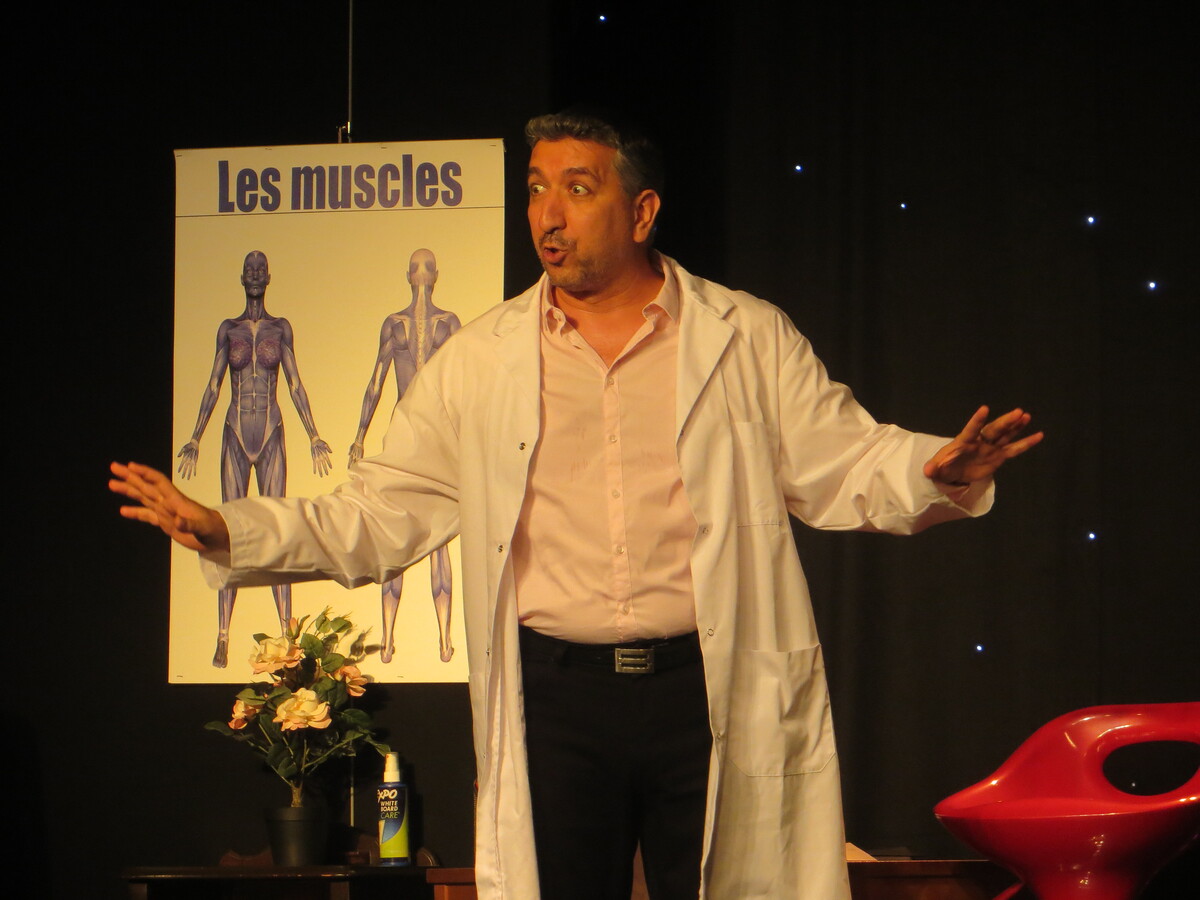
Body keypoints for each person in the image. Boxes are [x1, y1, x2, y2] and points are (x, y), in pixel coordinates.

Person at [112, 111, 1041, 900]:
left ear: (642, 210)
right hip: (556, 700)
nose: (547, 215)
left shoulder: (746, 336)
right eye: (535, 190)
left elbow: (845, 457)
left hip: (703, 686)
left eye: (577, 189)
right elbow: (380, 511)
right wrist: (231, 527)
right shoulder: (480, 361)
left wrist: (937, 469)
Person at [176, 249, 333, 667]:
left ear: (268, 277)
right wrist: (195, 437)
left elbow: (295, 383)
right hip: (234, 430)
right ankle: (223, 635)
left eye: (262, 269)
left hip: (270, 430)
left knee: (279, 532)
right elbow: (214, 384)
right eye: (250, 270)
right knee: (227, 533)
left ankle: (288, 636)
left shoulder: (281, 329)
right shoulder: (228, 330)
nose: (256, 275)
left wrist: (314, 434)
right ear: (242, 277)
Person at [349, 248, 461, 664]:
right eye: (417, 266)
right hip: (401, 435)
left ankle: (444, 638)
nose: (422, 272)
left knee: (439, 537)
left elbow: (464, 383)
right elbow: (376, 380)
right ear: (408, 274)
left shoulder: (449, 323)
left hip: (438, 436)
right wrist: (359, 436)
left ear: (437, 273)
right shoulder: (393, 324)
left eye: (427, 266)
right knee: (394, 531)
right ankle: (388, 637)